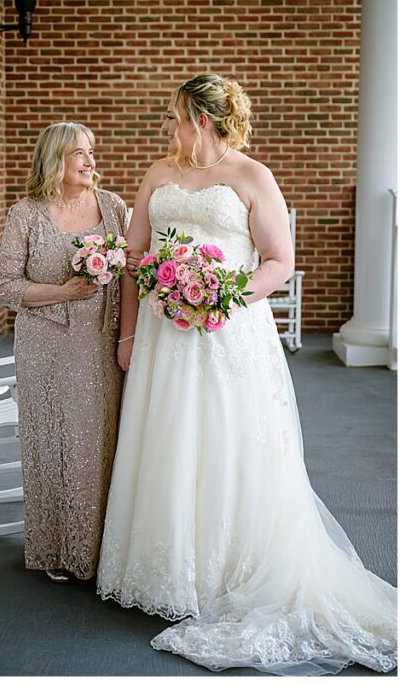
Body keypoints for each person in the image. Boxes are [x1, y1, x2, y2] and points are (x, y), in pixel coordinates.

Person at [96, 73, 397, 674]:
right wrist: (128, 333)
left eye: (176, 115)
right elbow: (133, 260)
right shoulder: (158, 174)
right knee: (169, 443)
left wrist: (225, 297)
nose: (168, 126)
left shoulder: (252, 176)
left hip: (228, 333)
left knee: (228, 443)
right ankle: (170, 570)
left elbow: (279, 261)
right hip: (162, 337)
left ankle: (230, 568)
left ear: (201, 119)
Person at [0, 122, 128, 583]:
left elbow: (129, 275)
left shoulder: (113, 207)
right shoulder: (26, 214)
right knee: (51, 445)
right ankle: (55, 549)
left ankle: (98, 548)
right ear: (55, 160)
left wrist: (128, 336)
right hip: (44, 346)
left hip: (100, 342)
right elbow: (5, 286)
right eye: (78, 154)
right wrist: (63, 291)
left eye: (91, 151)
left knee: (98, 443)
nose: (90, 161)